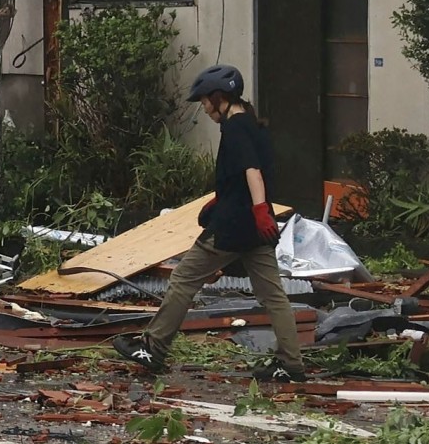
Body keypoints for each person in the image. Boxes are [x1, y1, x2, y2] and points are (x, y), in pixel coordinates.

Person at [112, 64, 306, 384]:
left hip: (235, 226)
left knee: (183, 280)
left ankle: (153, 347)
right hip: (256, 227)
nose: (203, 108)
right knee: (274, 296)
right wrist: (225, 199)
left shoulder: (236, 126)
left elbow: (253, 171)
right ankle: (292, 364)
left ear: (218, 97)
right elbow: (248, 175)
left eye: (204, 101)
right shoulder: (253, 124)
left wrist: (255, 208)